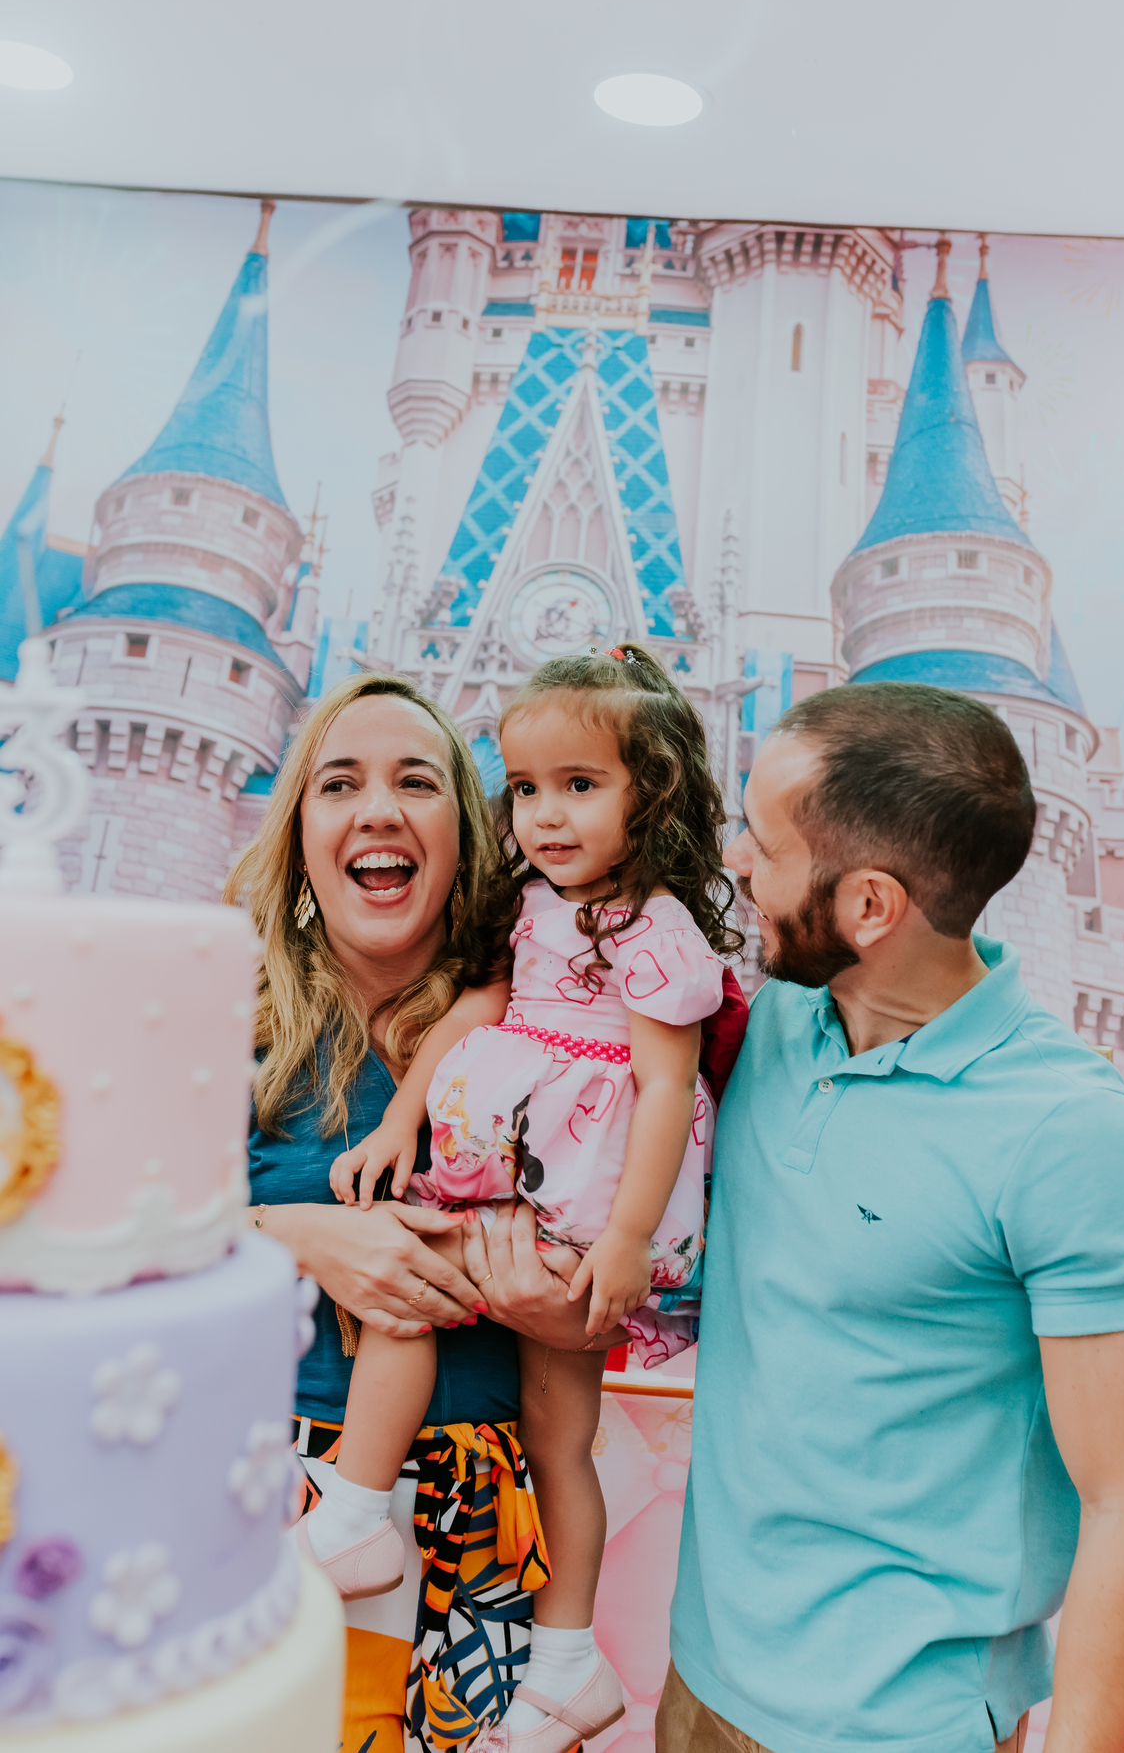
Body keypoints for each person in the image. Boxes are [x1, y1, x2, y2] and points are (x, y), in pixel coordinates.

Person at [661, 681, 1124, 1753]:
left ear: (869, 905)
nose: (734, 861)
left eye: (762, 845)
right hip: (698, 1684)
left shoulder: (1075, 1139)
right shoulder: (773, 1023)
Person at [311, 645, 744, 1753]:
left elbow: (665, 1084)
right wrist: (403, 1117)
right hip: (495, 1160)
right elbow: (470, 1018)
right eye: (528, 789)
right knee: (405, 1292)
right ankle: (374, 1517)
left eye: (581, 785)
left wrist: (633, 1237)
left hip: (583, 1195)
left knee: (561, 1437)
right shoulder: (536, 907)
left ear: (652, 793)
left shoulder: (659, 934)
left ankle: (557, 1651)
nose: (546, 815)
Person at [225, 671, 618, 1753]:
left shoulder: (556, 1037)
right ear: (301, 828)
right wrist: (294, 1233)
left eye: (418, 781)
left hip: (475, 1515)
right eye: (340, 782)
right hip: (262, 1486)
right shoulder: (223, 1014)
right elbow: (102, 1240)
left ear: (471, 835)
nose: (380, 808)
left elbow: (645, 1266)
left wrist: (559, 1302)